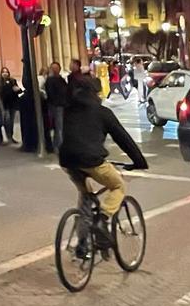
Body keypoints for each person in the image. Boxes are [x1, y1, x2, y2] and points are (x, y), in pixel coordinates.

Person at [59, 74, 149, 247]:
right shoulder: (102, 113)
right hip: (91, 160)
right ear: (95, 93)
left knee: (85, 196)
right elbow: (124, 140)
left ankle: (82, 244)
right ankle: (102, 218)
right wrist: (139, 161)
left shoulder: (69, 110)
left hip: (68, 161)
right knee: (118, 186)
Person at [44, 61, 69, 152]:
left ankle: (57, 145)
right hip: (55, 106)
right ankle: (59, 146)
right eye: (53, 68)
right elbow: (50, 93)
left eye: (56, 68)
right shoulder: (50, 80)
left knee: (59, 127)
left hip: (61, 105)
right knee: (58, 127)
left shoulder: (61, 79)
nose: (55, 70)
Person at [0, 66, 23, 145]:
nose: (5, 73)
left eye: (6, 72)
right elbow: (2, 93)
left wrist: (17, 90)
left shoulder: (12, 81)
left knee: (11, 121)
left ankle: (10, 137)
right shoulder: (0, 82)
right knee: (7, 121)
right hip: (5, 104)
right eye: (3, 72)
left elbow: (19, 90)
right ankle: (7, 137)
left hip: (12, 104)